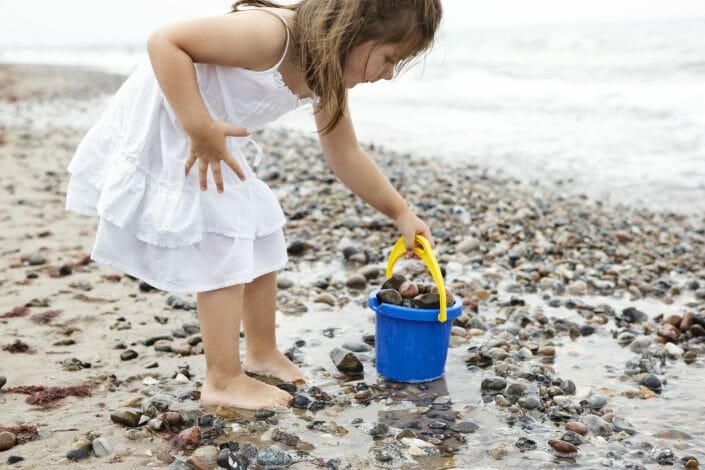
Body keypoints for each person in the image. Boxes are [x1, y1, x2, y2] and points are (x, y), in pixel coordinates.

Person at [65, 0, 442, 410]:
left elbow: (345, 151)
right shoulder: (272, 36)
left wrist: (400, 211)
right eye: (389, 58)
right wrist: (199, 127)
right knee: (224, 238)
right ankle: (222, 378)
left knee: (261, 228)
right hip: (176, 124)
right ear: (353, 29)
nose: (388, 75)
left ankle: (261, 351)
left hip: (213, 134)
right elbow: (166, 42)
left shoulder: (326, 71)